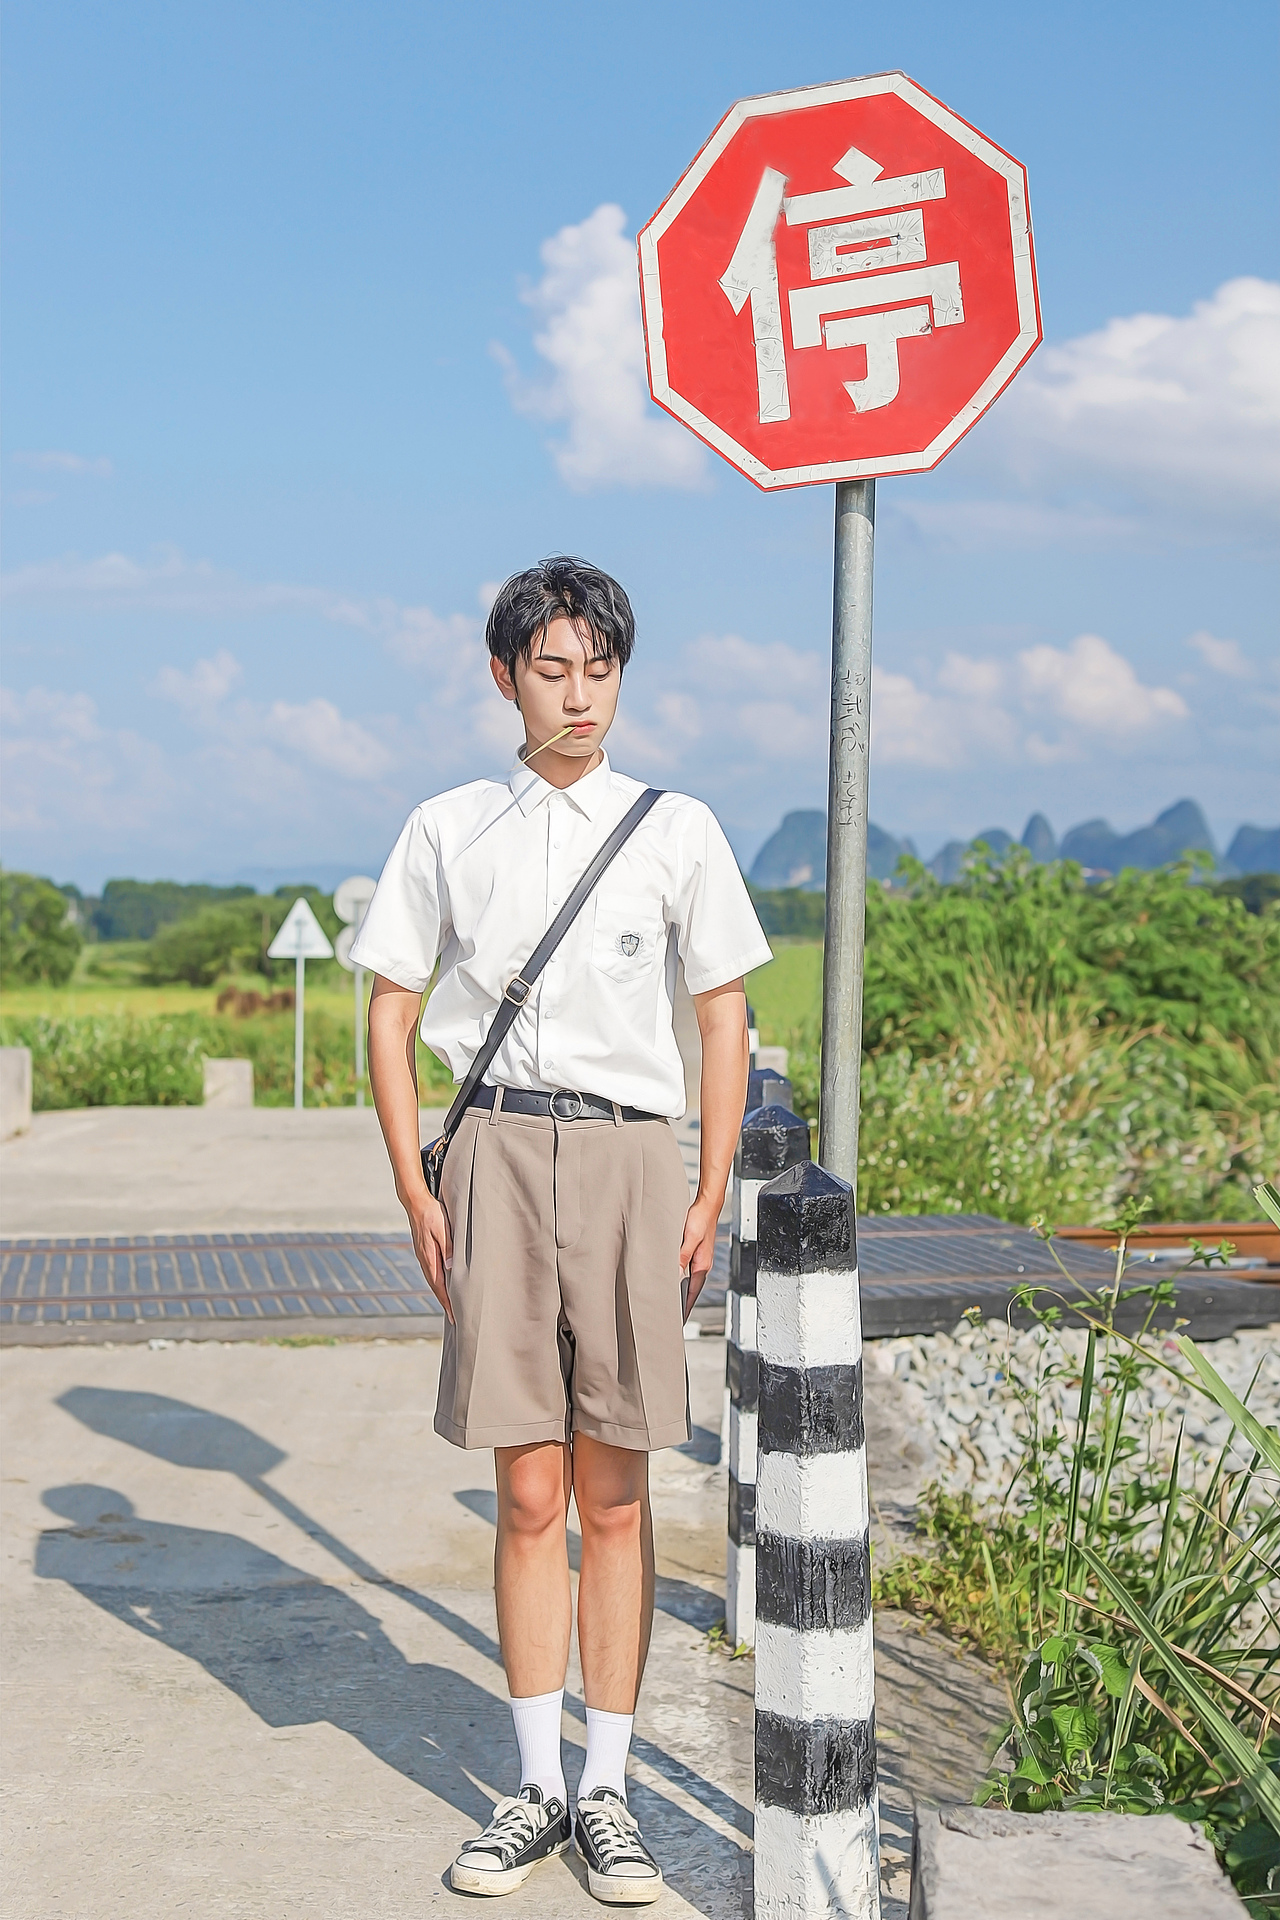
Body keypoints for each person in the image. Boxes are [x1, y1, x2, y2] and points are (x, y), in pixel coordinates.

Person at [353, 556, 771, 1902]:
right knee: (529, 1489)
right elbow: (390, 1008)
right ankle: (536, 1785)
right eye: (552, 669)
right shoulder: (448, 828)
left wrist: (707, 1190)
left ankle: (609, 1791)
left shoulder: (676, 829)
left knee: (617, 1490)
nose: (579, 695)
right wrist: (416, 1187)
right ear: (505, 677)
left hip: (633, 1156)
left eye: (600, 669)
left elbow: (722, 1014)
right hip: (493, 1153)